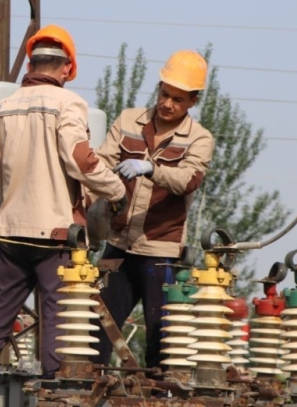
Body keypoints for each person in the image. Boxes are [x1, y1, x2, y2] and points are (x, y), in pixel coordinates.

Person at [0, 25, 127, 406]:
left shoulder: (2, 106)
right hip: (56, 236)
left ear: (32, 63)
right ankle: (56, 397)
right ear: (67, 68)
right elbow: (81, 160)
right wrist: (116, 190)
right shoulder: (68, 105)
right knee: (60, 320)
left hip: (11, 232)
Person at [90, 49, 215, 370]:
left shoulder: (199, 139)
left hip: (161, 252)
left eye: (178, 99)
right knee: (98, 330)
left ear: (193, 102)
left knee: (161, 341)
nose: (167, 103)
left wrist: (150, 168)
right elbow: (102, 163)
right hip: (117, 244)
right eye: (164, 94)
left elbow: (188, 179)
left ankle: (158, 397)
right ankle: (89, 391)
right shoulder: (129, 120)